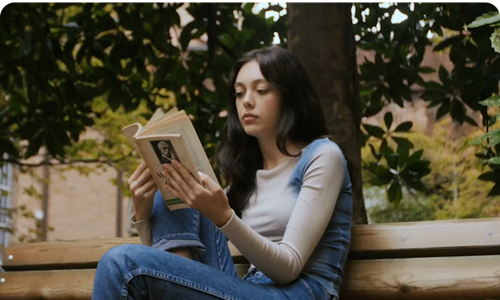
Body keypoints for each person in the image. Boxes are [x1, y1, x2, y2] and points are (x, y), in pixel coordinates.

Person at [92, 46, 352, 300]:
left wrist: (224, 217)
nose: (247, 101)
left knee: (120, 263)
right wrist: (142, 215)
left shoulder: (322, 156)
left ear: (291, 96)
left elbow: (288, 268)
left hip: (303, 291)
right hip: (249, 289)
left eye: (261, 90)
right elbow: (160, 264)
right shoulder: (247, 176)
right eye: (239, 94)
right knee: (174, 181)